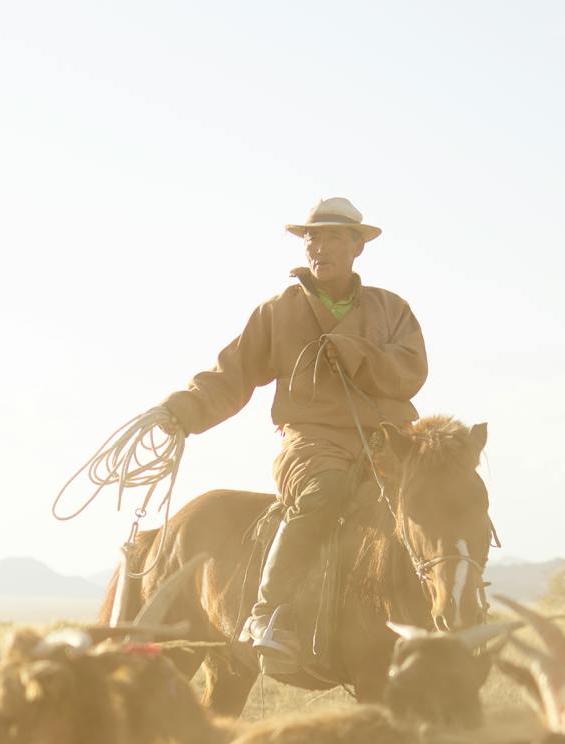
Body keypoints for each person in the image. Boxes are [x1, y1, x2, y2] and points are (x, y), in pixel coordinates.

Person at [153, 197, 428, 667]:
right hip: (313, 442)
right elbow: (232, 374)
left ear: (358, 247)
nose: (320, 246)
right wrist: (185, 408)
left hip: (390, 441)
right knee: (325, 493)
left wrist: (357, 353)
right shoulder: (277, 312)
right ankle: (269, 613)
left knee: (443, 494)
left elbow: (412, 370)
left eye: (334, 237)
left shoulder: (392, 309)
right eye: (312, 237)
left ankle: (455, 610)